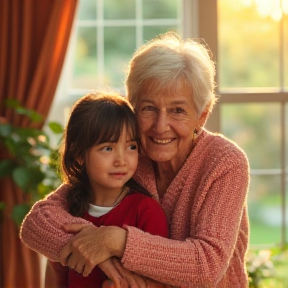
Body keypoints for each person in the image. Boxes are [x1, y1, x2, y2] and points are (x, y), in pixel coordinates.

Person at [20, 32, 250, 287]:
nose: (161, 126)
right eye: (149, 108)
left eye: (177, 110)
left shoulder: (225, 162)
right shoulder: (129, 157)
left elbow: (206, 266)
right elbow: (38, 222)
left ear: (202, 116)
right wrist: (97, 256)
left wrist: (114, 241)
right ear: (132, 108)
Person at [36, 91, 169, 288]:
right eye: (108, 148)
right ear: (79, 154)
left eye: (131, 147)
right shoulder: (66, 211)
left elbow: (162, 280)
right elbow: (57, 276)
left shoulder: (146, 211)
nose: (121, 160)